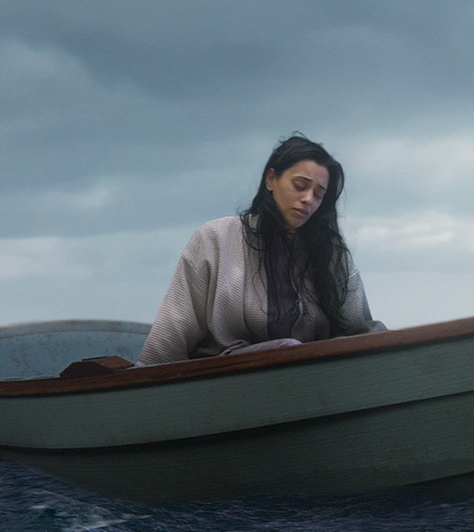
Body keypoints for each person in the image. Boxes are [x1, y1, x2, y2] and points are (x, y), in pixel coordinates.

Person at [137, 134, 385, 365]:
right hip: (226, 377)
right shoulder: (216, 238)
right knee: (288, 349)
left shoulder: (332, 255)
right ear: (270, 179)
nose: (309, 199)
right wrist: (143, 388)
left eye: (319, 195)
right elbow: (175, 329)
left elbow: (360, 331)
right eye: (300, 186)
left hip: (313, 375)